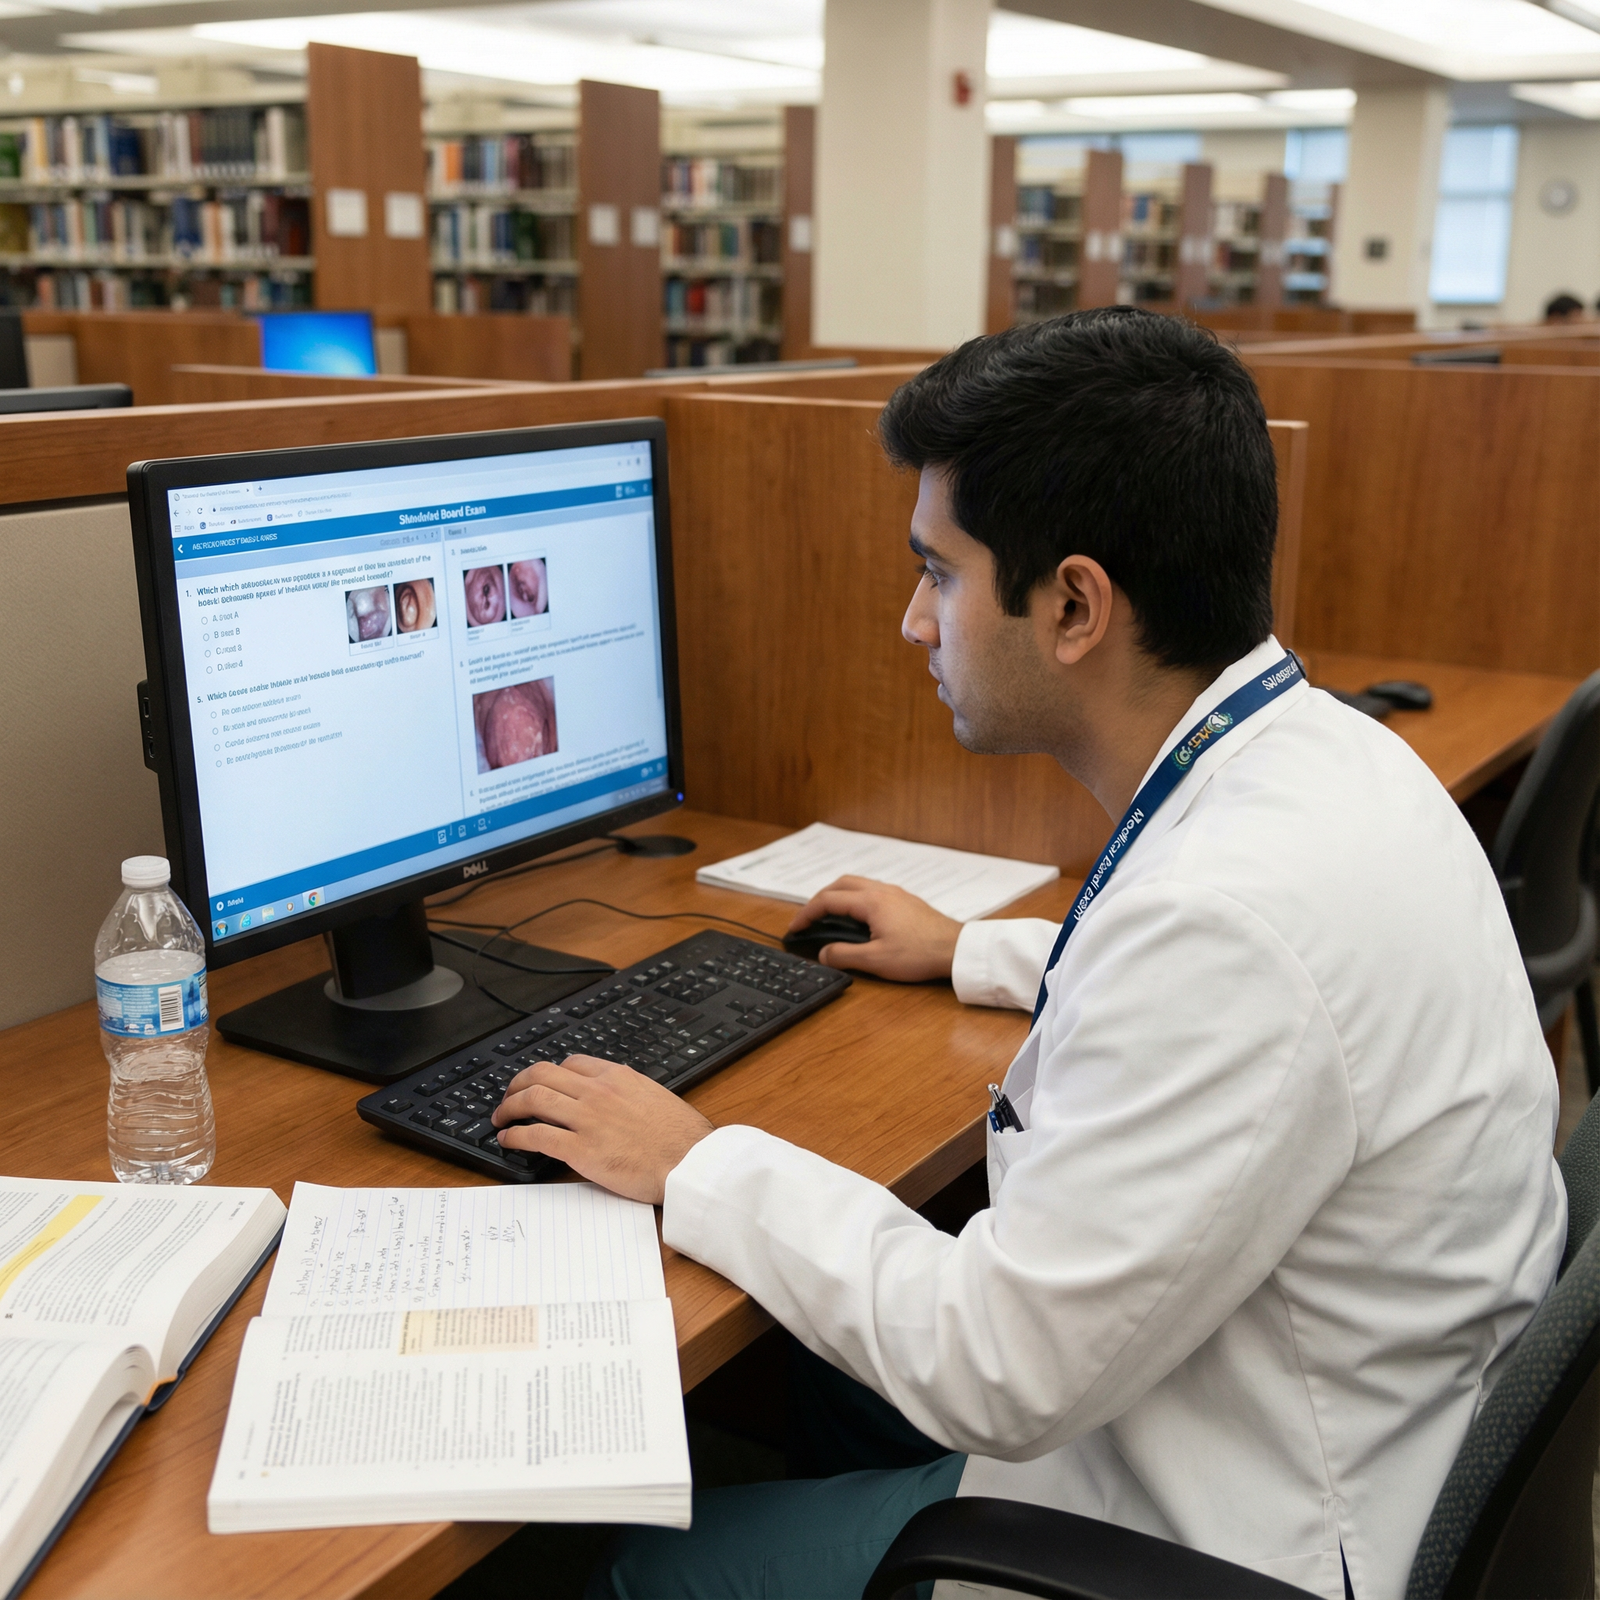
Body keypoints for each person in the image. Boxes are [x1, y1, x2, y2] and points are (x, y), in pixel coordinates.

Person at [491, 309, 1565, 1600]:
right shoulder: (1323, 758)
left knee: (615, 1572)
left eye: (938, 574)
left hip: (1211, 1535)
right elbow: (1208, 977)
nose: (913, 623)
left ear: (1071, 606)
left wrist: (695, 1163)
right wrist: (974, 952)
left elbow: (996, 1364)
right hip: (1317, 1409)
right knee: (815, 1376)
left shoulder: (1226, 927)